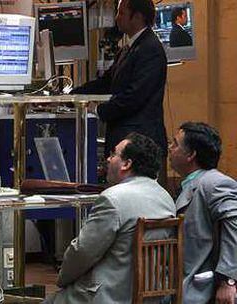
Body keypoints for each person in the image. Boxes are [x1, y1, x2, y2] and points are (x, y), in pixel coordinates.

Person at [44, 133, 175, 303]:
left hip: (109, 295)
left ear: (127, 164)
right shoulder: (165, 198)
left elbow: (83, 252)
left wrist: (62, 279)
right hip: (152, 297)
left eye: (114, 154)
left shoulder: (113, 198)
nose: (107, 158)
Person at [72, 0, 168, 161]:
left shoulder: (150, 49)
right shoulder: (129, 48)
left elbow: (134, 96)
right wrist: (72, 95)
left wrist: (98, 111)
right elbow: (107, 82)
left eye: (121, 13)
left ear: (137, 17)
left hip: (140, 144)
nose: (117, 18)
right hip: (126, 138)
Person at [169, 122, 237, 304]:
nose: (170, 148)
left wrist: (229, 280)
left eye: (175, 144)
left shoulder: (214, 183)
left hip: (204, 289)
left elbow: (235, 227)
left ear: (191, 155)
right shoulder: (192, 184)